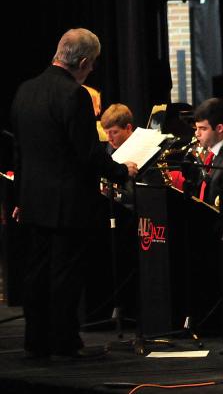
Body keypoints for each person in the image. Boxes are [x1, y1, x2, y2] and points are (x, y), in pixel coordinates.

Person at [11, 28, 138, 359]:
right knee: (65, 275)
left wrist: (18, 200)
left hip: (33, 200)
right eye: (91, 64)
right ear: (82, 61)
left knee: (36, 272)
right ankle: (64, 341)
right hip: (68, 203)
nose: (91, 70)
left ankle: (35, 341)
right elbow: (87, 153)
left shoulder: (26, 90)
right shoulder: (74, 94)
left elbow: (19, 152)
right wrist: (123, 171)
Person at [192, 97, 223, 205]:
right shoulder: (206, 152)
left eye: (203, 128)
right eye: (196, 128)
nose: (197, 134)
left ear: (219, 128)